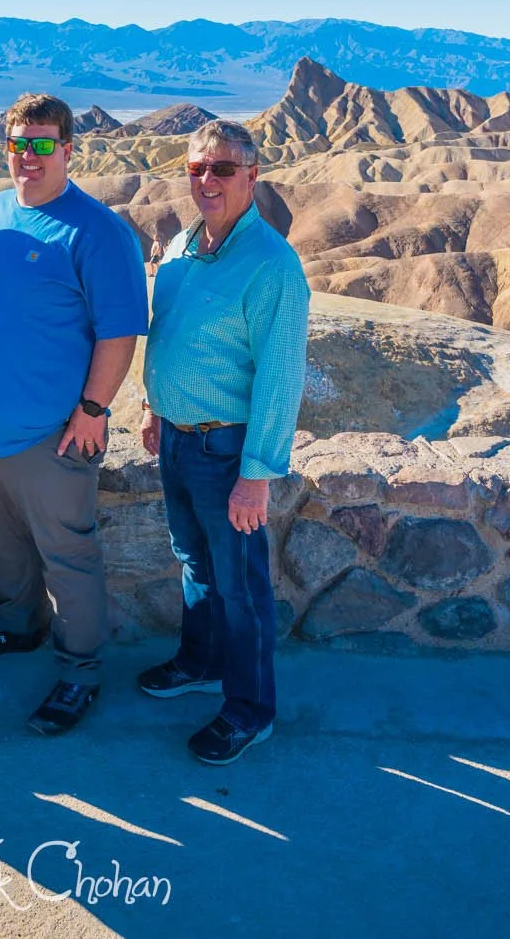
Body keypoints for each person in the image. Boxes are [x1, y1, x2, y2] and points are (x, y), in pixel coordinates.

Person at [0, 92, 149, 736]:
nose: (27, 157)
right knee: (4, 543)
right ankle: (15, 628)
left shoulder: (95, 231)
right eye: (17, 145)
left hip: (53, 436)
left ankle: (80, 672)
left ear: (68, 149)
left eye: (41, 145)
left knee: (69, 555)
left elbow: (119, 334)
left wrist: (92, 410)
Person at [138, 120, 310, 765]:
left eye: (223, 170)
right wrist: (154, 408)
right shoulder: (184, 246)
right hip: (178, 441)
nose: (207, 180)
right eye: (197, 169)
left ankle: (249, 710)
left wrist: (257, 473)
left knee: (241, 586)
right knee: (194, 563)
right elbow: (168, 335)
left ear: (252, 176)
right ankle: (200, 663)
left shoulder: (271, 265)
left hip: (227, 451)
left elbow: (280, 374)